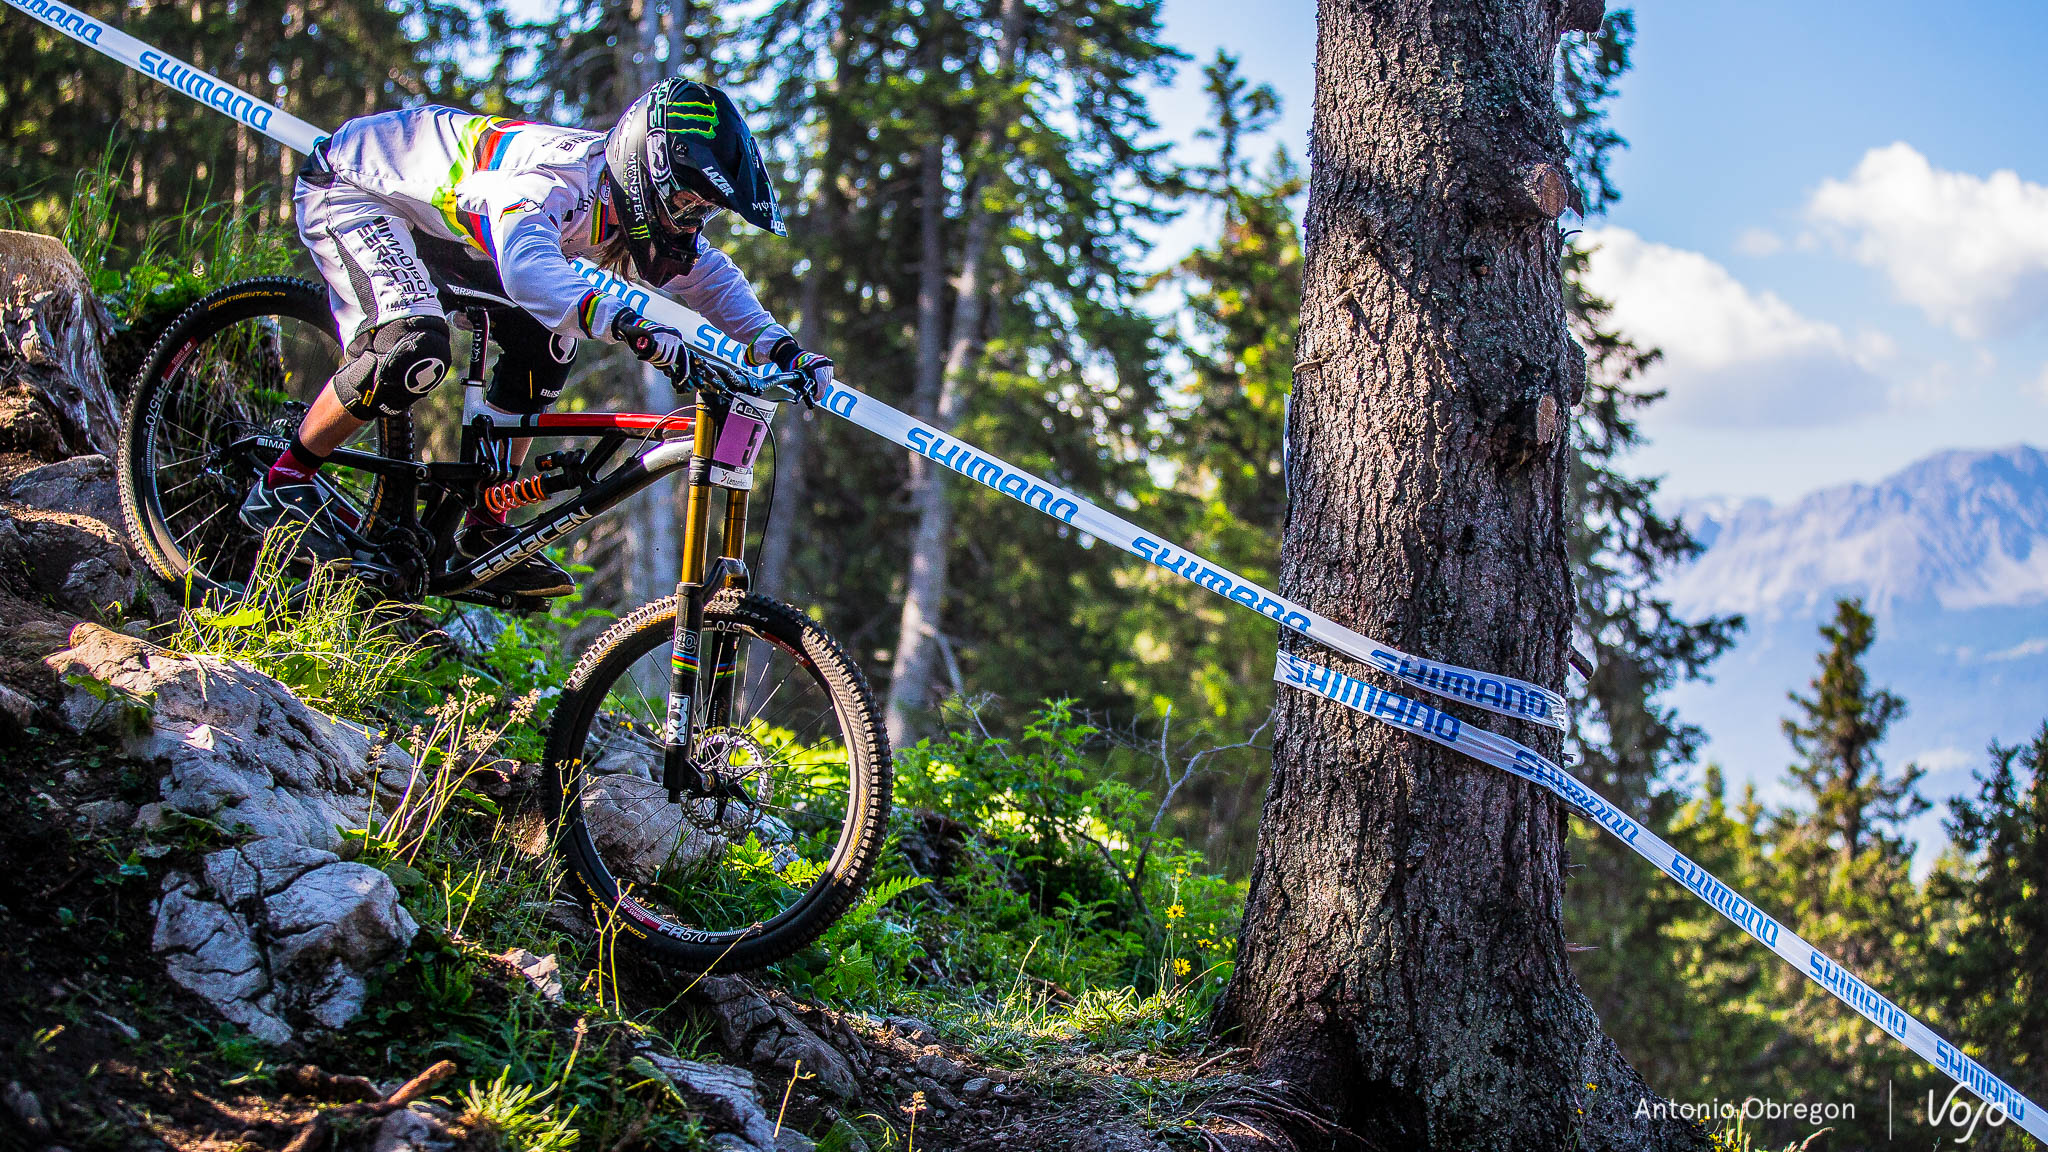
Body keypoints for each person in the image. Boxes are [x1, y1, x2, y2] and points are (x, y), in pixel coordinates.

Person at [240, 78, 833, 600]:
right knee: (411, 349)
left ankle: (480, 527)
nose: (689, 223)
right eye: (685, 203)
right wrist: (616, 318)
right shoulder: (561, 180)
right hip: (356, 189)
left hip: (446, 232)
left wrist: (782, 348)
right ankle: (282, 481)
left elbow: (714, 278)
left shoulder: (624, 205)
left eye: (701, 211)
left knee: (550, 342)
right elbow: (526, 269)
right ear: (645, 172)